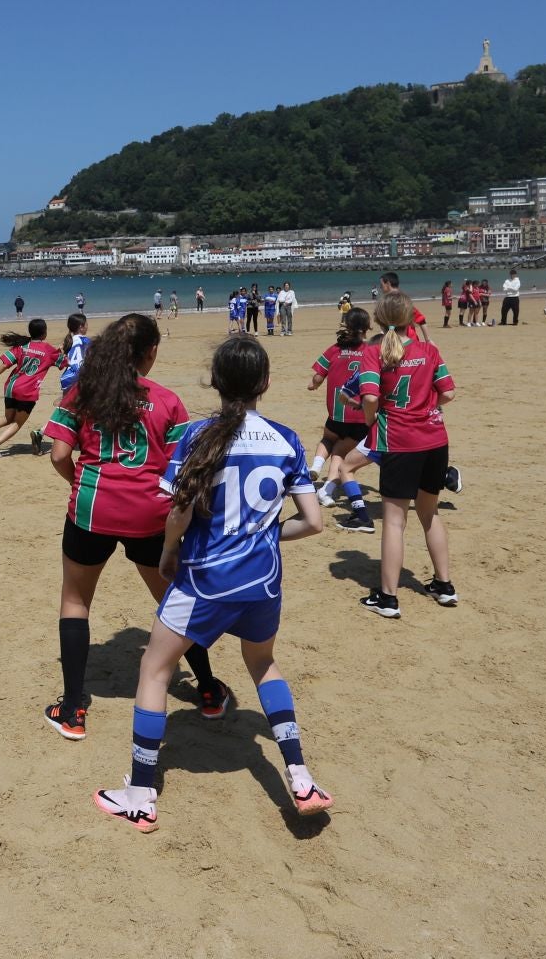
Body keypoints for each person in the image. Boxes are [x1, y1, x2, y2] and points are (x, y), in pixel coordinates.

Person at [92, 336, 332, 831]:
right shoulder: (285, 438)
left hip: (205, 579)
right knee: (263, 665)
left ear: (216, 382)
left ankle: (140, 793)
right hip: (263, 582)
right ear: (265, 383)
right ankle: (301, 777)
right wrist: (263, 535)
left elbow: (177, 510)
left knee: (155, 671)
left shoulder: (197, 436)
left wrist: (167, 553)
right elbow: (313, 523)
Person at [40, 315, 228, 739]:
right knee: (175, 603)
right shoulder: (166, 400)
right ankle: (209, 690)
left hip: (91, 510)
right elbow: (185, 469)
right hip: (150, 514)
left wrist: (82, 484)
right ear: (149, 353)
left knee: (75, 601)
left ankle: (72, 710)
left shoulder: (82, 393)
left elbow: (57, 455)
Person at [353, 293, 460, 619]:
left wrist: (373, 419)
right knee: (430, 514)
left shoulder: (376, 352)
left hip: (400, 441)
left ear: (380, 319)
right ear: (411, 318)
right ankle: (444, 586)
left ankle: (388, 598)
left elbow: (370, 395)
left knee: (395, 522)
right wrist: (425, 407)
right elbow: (449, 393)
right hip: (435, 440)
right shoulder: (428, 350)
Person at [307, 308, 376, 531]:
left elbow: (318, 376)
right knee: (341, 452)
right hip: (358, 415)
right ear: (367, 328)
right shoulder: (370, 351)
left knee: (328, 439)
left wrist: (314, 384)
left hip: (335, 412)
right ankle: (327, 489)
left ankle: (316, 466)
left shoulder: (335, 349)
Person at [0, 318, 62, 458]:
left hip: (11, 386)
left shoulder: (22, 345)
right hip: (27, 391)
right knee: (17, 422)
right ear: (44, 333)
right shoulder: (49, 350)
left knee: (7, 417)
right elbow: (64, 362)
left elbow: (5, 364)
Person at [59, 312, 91, 395]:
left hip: (67, 378)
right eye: (86, 324)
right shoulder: (86, 341)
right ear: (81, 327)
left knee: (66, 406)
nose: (87, 326)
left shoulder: (67, 341)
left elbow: (62, 360)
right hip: (79, 377)